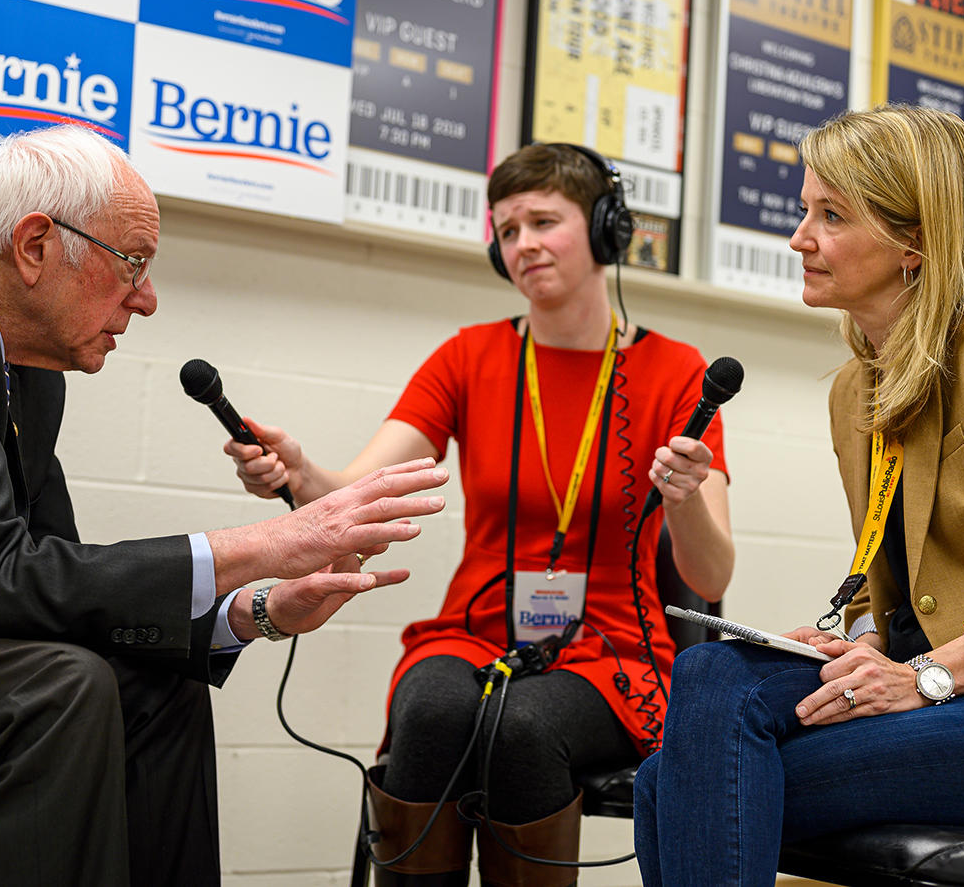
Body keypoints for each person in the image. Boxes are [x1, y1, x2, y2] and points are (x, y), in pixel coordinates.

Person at [0, 125, 450, 887]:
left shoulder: (26, 357)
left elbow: (60, 589)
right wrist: (272, 539)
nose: (146, 299)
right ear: (36, 244)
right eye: (133, 263)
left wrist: (257, 609)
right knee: (58, 685)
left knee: (152, 684)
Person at [633, 105, 964, 885]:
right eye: (805, 210)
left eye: (830, 215)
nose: (799, 237)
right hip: (943, 690)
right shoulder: (855, 389)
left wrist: (930, 673)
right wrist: (867, 641)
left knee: (670, 784)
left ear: (916, 241)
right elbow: (905, 588)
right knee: (711, 675)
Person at [226, 143, 734, 885]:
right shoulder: (470, 356)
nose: (522, 243)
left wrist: (684, 499)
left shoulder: (678, 371)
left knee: (520, 727)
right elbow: (353, 487)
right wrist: (302, 472)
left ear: (604, 230)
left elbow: (712, 571)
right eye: (507, 228)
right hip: (473, 628)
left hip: (615, 647)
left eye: (543, 221)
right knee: (429, 714)